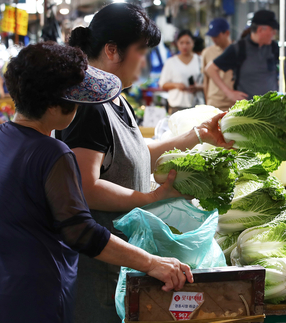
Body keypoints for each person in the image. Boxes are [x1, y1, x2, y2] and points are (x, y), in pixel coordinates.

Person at [0, 42, 193, 323]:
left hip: (2, 292)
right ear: (54, 104)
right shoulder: (53, 153)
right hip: (39, 297)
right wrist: (152, 263)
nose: (79, 106)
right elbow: (81, 232)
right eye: (76, 99)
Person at [56, 4, 232, 323]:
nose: (146, 61)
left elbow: (137, 154)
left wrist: (197, 135)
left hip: (124, 257)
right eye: (141, 51)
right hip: (99, 263)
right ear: (112, 50)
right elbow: (85, 186)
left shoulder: (116, 98)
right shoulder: (90, 106)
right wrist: (149, 198)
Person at [206, 9, 286, 102]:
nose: (274, 33)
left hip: (271, 106)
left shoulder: (273, 47)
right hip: (248, 109)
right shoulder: (238, 48)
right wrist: (229, 93)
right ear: (260, 30)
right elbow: (210, 69)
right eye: (272, 30)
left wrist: (284, 86)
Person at [160, 30, 205, 113]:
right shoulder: (171, 62)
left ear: (193, 43)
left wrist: (198, 87)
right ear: (177, 43)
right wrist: (176, 85)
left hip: (197, 107)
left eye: (188, 43)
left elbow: (209, 84)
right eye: (181, 43)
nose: (185, 46)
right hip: (176, 107)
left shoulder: (200, 60)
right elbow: (162, 84)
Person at [201, 18, 235, 110]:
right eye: (212, 36)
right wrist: (207, 103)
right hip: (214, 103)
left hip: (233, 103)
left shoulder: (237, 51)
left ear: (227, 33)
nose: (213, 39)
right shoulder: (207, 53)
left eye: (216, 36)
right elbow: (206, 81)